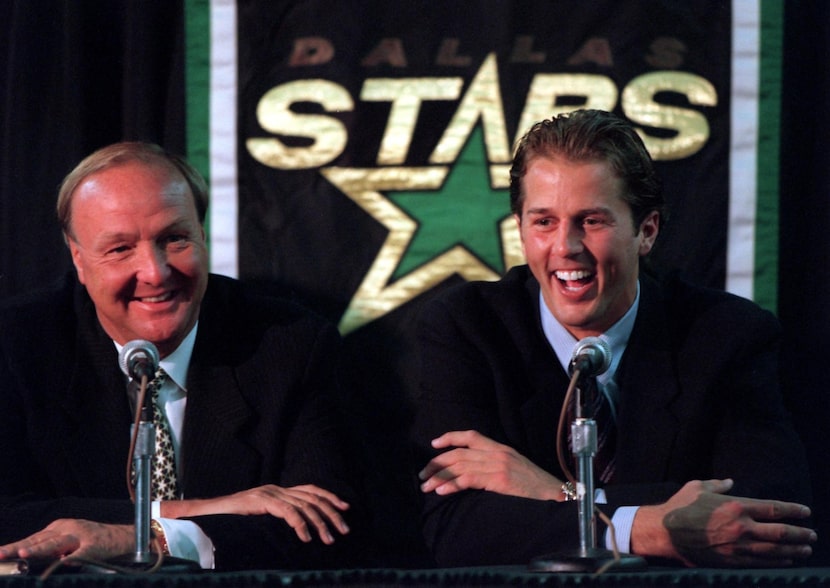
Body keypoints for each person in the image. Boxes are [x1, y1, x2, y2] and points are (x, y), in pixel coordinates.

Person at [412, 109, 816, 568]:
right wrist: (646, 526)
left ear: (646, 231)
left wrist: (555, 492)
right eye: (544, 221)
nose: (566, 246)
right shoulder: (468, 327)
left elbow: (767, 509)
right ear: (521, 228)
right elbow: (453, 526)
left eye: (592, 221)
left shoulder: (726, 334)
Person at [0, 142, 365, 571]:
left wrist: (136, 537)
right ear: (78, 259)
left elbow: (329, 525)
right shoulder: (18, 347)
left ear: (203, 236)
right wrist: (204, 509)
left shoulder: (289, 345)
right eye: (120, 249)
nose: (155, 273)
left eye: (174, 239)